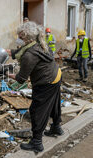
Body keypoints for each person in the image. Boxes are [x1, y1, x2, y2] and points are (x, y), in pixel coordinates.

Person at [6, 22, 64, 153]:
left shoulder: (29, 56)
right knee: (54, 104)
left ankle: (37, 142)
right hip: (56, 75)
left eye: (20, 36)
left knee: (37, 110)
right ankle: (56, 127)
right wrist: (7, 52)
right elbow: (23, 50)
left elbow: (21, 79)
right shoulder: (40, 43)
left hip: (46, 82)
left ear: (27, 38)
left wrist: (5, 73)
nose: (18, 38)